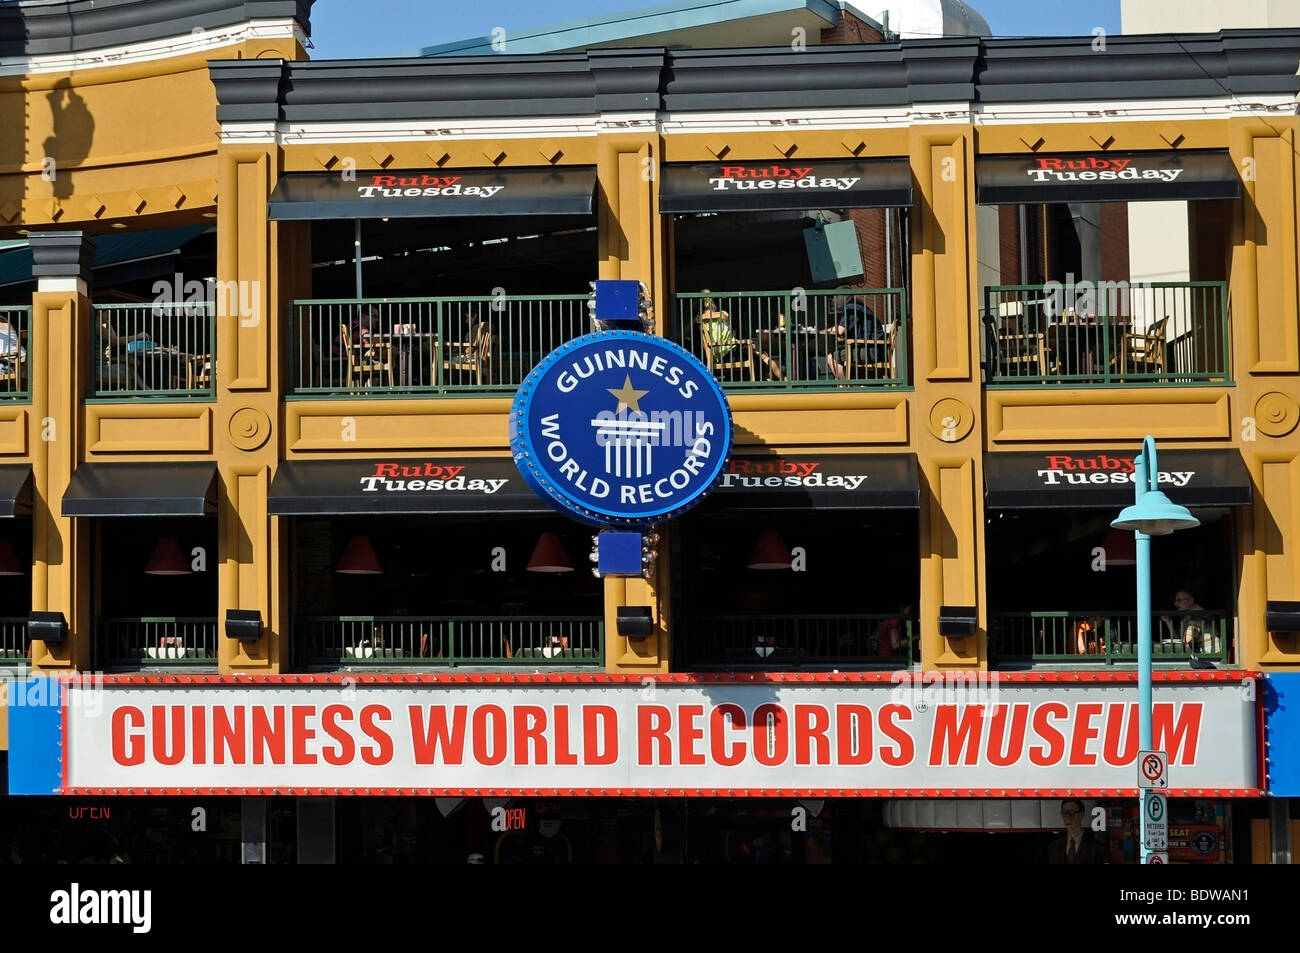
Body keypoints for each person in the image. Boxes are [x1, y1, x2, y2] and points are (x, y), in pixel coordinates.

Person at [822, 287, 885, 379]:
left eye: (836, 297)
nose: (834, 301)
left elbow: (840, 330)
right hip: (874, 347)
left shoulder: (852, 307)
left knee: (833, 356)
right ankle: (848, 385)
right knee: (836, 354)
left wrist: (821, 332)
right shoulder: (855, 305)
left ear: (844, 296)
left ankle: (844, 387)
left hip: (874, 350)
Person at [1047, 798, 1109, 864]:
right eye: (1065, 813)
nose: (1068, 817)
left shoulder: (1097, 848)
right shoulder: (1054, 848)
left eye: (1072, 812)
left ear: (1081, 815)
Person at [1164, 589, 1214, 655]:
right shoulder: (1188, 616)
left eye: (1179, 600)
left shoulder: (1197, 614)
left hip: (1209, 656)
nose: (1175, 603)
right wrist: (1168, 621)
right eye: (1175, 601)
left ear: (1191, 601)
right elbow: (1180, 639)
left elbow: (1187, 640)